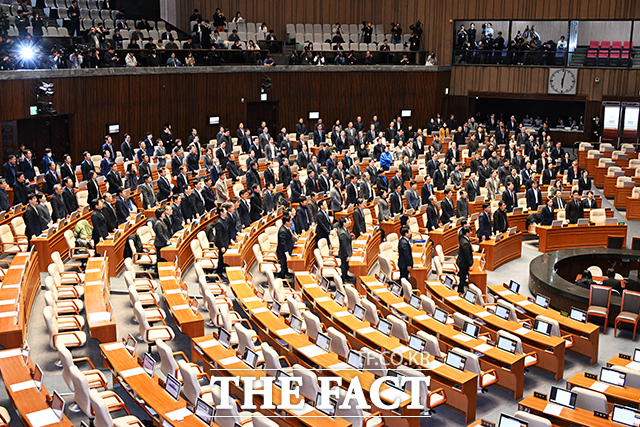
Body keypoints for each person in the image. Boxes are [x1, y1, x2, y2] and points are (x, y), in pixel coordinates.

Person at [455, 226, 474, 293]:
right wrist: (470, 265)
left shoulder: (463, 238)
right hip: (463, 263)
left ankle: (461, 290)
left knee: (462, 278)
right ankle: (460, 291)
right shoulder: (465, 243)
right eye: (470, 231)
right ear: (466, 233)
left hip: (461, 262)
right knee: (462, 279)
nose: (471, 233)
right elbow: (467, 256)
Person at [214, 205, 230, 278]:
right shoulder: (219, 222)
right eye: (225, 210)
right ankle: (219, 273)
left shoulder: (224, 219)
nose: (226, 211)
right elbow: (219, 236)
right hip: (222, 243)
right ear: (221, 212)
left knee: (222, 258)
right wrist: (222, 246)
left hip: (225, 241)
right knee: (221, 259)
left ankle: (221, 269)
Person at [276, 215, 295, 279]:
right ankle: (281, 279)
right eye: (290, 221)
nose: (291, 222)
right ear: (286, 222)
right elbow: (283, 243)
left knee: (286, 265)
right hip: (282, 252)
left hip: (286, 249)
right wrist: (286, 253)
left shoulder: (286, 228)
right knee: (283, 266)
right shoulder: (282, 231)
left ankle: (286, 273)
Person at [337, 216, 353, 282]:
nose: (349, 222)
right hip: (344, 253)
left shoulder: (346, 229)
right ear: (344, 223)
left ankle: (346, 276)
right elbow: (344, 246)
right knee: (344, 266)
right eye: (347, 221)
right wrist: (347, 255)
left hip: (347, 250)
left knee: (346, 266)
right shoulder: (342, 233)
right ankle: (343, 280)